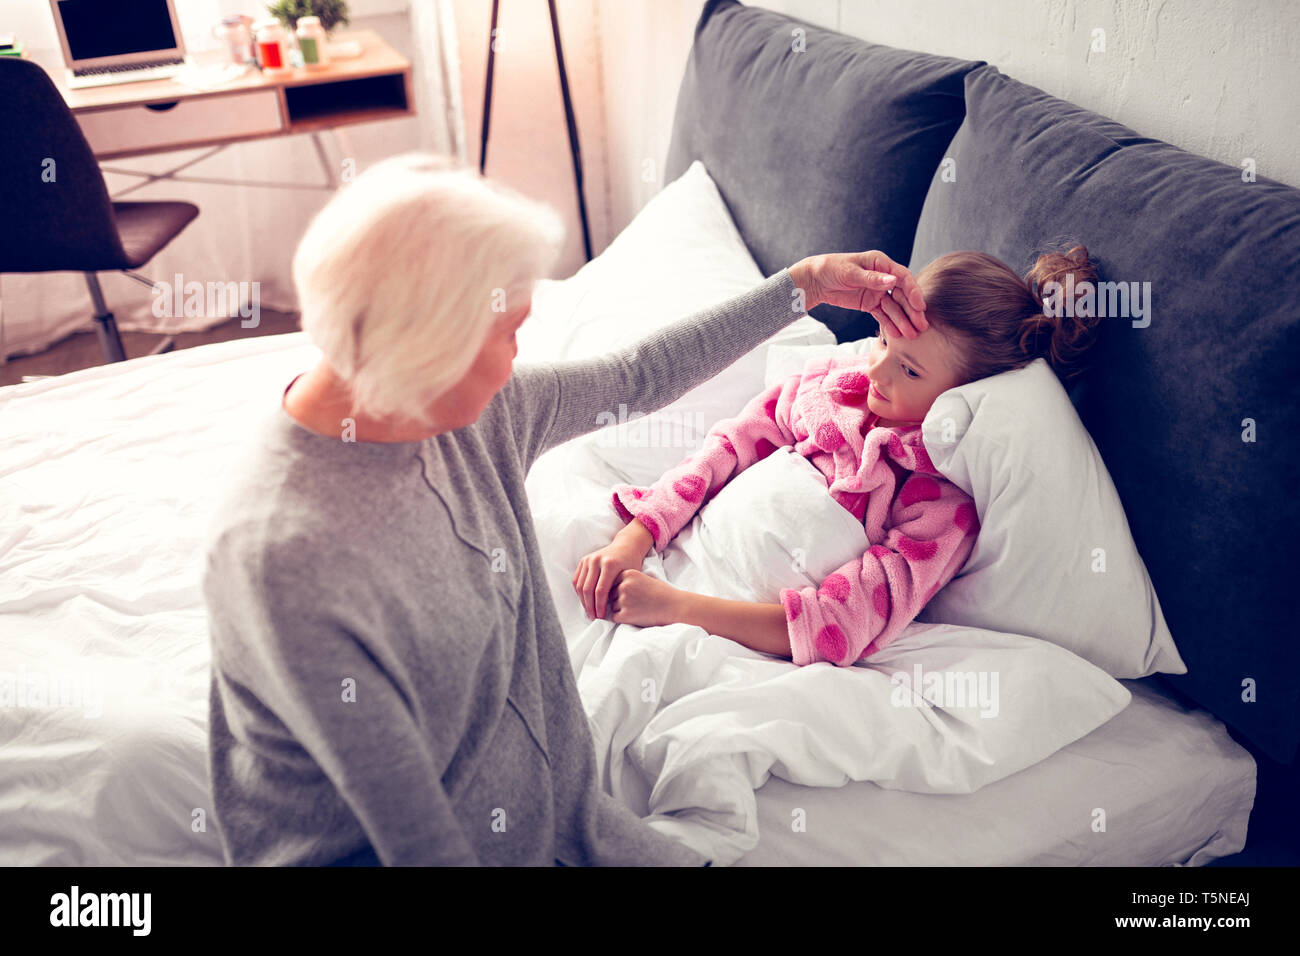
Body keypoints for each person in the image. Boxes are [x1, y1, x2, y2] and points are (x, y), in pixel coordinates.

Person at [201, 150, 929, 866]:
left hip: (556, 818)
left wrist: (804, 285)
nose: (519, 357)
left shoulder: (472, 416)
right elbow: (419, 841)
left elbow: (637, 375)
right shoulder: (282, 559)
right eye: (508, 332)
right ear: (427, 351)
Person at [574, 246, 1101, 667]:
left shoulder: (936, 507)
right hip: (665, 555)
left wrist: (673, 610)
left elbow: (837, 627)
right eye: (881, 342)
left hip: (720, 631)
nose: (876, 373)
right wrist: (631, 539)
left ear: (966, 396)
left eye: (910, 371)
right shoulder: (826, 392)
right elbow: (722, 453)